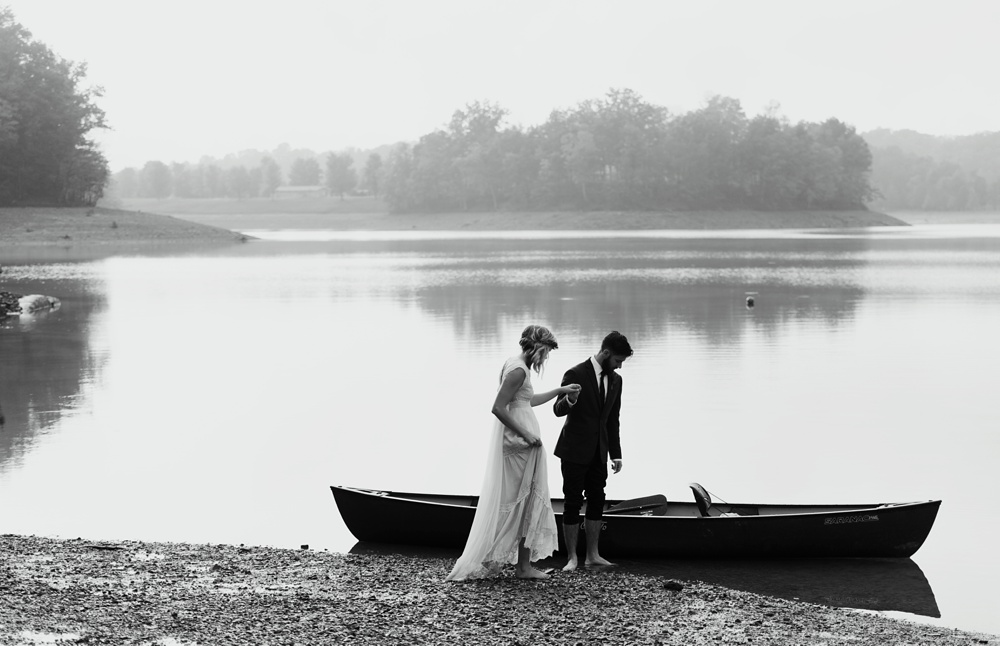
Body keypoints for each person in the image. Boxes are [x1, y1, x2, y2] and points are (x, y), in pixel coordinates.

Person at [446, 325, 581, 581]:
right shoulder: (518, 369)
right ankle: (521, 566)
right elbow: (498, 407)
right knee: (524, 499)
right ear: (538, 348)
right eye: (547, 352)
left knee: (521, 499)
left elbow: (525, 401)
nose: (546, 358)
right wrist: (526, 435)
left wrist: (560, 391)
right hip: (521, 444)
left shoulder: (517, 364)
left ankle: (517, 563)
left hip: (523, 442)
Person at [553, 330, 634, 571]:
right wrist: (571, 400)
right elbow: (557, 410)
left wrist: (616, 453)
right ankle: (572, 559)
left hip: (600, 452)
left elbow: (612, 419)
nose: (619, 367)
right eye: (618, 361)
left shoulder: (617, 381)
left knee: (598, 500)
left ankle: (592, 555)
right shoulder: (575, 373)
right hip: (574, 451)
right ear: (606, 353)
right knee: (572, 502)